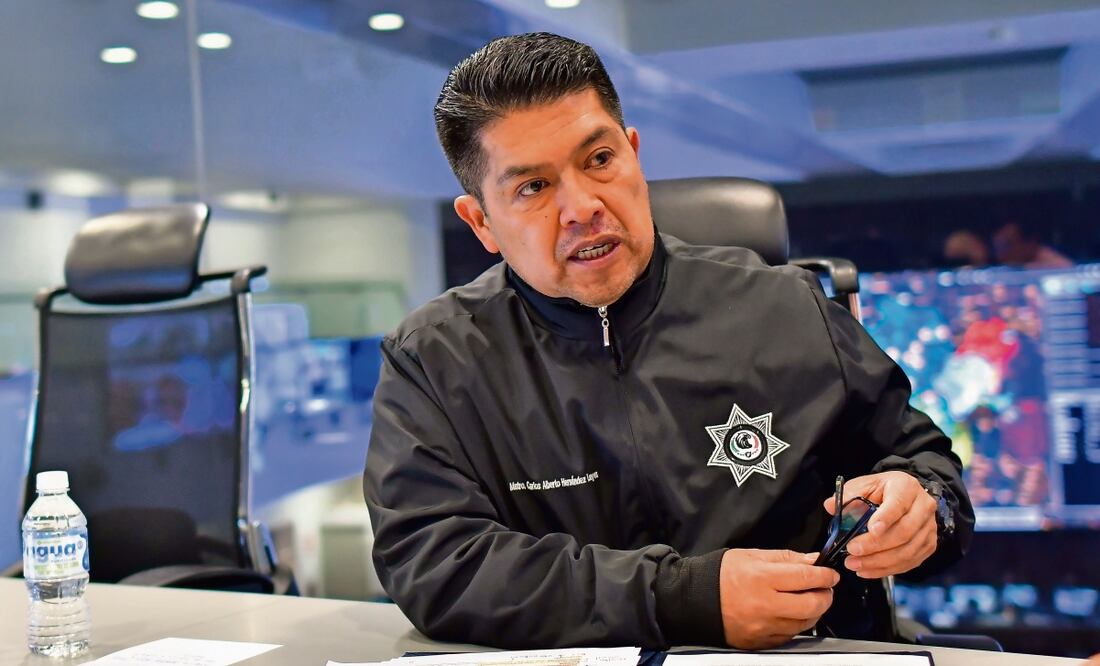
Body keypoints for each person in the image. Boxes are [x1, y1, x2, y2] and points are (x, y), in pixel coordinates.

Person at [365, 32, 973, 650]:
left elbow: (925, 464)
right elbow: (434, 564)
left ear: (633, 155)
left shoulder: (785, 307)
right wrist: (682, 599)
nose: (582, 207)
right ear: (481, 223)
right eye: (533, 188)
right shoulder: (435, 360)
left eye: (599, 160)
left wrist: (923, 508)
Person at [992, 221, 1073, 269]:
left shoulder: (1059, 266)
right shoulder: (1008, 268)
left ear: (1029, 243)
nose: (1001, 254)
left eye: (1008, 245)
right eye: (999, 247)